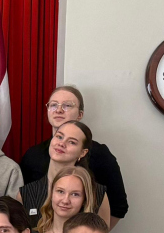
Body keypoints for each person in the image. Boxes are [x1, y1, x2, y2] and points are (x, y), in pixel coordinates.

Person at [19, 84, 128, 225]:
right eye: (53, 105)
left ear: (80, 114)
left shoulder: (100, 154)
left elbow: (118, 207)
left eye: (67, 105)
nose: (58, 110)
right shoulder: (32, 155)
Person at [20, 121, 112, 223]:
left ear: (82, 153)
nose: (61, 144)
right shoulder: (26, 193)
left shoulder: (97, 193)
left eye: (72, 142)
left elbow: (102, 232)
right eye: (59, 137)